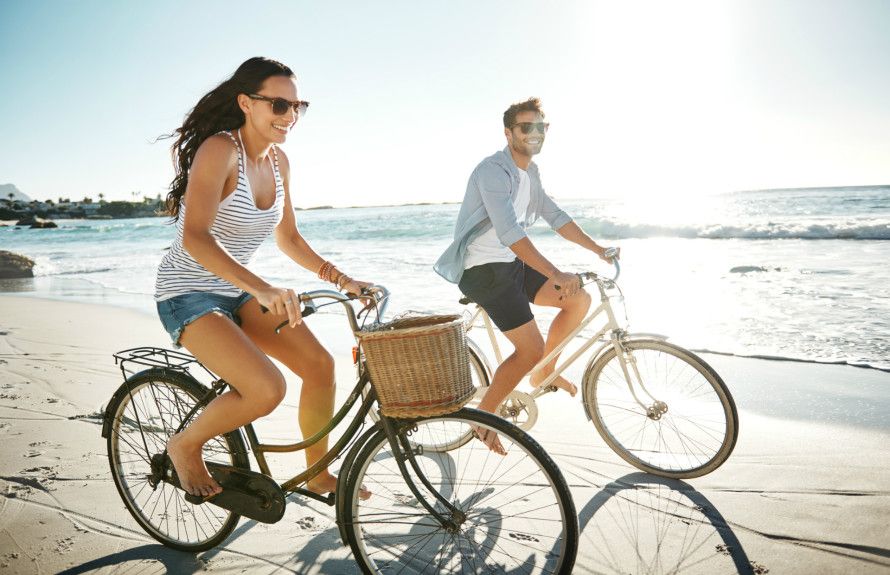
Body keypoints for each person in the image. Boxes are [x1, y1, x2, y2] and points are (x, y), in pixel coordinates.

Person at [155, 57, 372, 499]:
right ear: (245, 103)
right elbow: (195, 238)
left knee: (320, 366)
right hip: (186, 294)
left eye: (297, 106)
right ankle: (184, 446)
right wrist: (261, 287)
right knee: (266, 389)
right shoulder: (219, 149)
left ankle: (317, 474)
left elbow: (289, 237)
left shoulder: (279, 162)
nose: (289, 116)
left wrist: (342, 279)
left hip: (235, 290)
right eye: (278, 104)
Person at [435, 97, 617, 453]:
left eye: (540, 126)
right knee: (529, 348)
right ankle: (484, 419)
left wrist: (598, 249)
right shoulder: (492, 171)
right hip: (483, 270)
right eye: (526, 127)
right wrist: (555, 271)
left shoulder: (530, 173)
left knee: (579, 298)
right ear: (509, 133)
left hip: (511, 264)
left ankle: (542, 371)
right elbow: (510, 233)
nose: (534, 133)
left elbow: (556, 215)